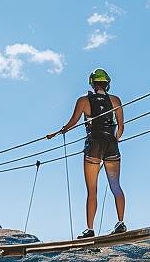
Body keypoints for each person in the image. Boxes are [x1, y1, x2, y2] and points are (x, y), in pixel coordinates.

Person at [47, 68, 126, 238]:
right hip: (111, 146)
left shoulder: (83, 101)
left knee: (92, 190)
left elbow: (72, 123)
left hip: (93, 146)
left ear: (92, 83)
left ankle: (90, 229)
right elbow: (121, 128)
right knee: (116, 186)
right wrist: (113, 141)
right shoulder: (115, 100)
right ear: (107, 84)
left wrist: (57, 133)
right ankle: (120, 222)